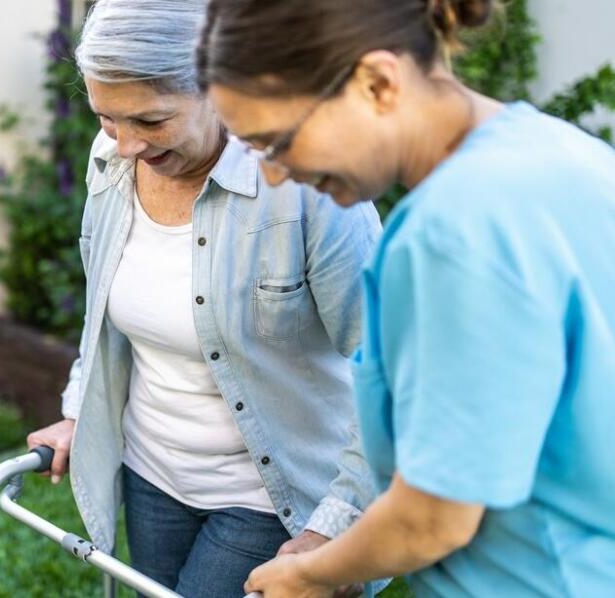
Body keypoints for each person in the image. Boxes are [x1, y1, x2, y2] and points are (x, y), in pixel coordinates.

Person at [198, 1, 615, 596]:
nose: (272, 176)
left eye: (277, 142)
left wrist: (312, 573)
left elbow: (434, 515)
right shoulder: (569, 155)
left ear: (378, 82)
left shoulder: (450, 234)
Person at [24, 1, 384, 595]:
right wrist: (76, 412)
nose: (128, 145)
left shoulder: (310, 185)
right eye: (108, 118)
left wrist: (337, 527)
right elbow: (103, 319)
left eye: (152, 121)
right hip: (153, 478)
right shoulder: (109, 161)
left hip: (273, 498)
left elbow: (393, 369)